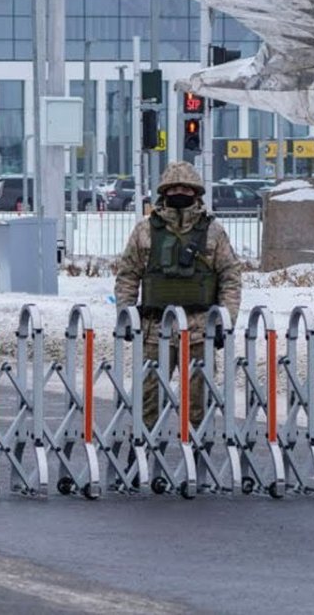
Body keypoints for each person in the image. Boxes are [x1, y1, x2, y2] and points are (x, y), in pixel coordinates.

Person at [114, 161, 242, 439]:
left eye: (186, 188)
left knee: (199, 400)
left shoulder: (213, 232)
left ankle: (197, 455)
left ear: (196, 193)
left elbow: (230, 275)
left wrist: (225, 321)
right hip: (153, 330)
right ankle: (142, 454)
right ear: (164, 192)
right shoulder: (145, 231)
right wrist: (126, 316)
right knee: (148, 398)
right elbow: (128, 275)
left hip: (198, 330)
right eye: (174, 188)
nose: (179, 193)